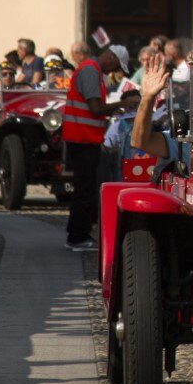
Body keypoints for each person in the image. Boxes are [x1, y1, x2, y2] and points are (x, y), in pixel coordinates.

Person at [61, 42, 119, 251]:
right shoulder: (90, 70)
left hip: (84, 137)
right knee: (84, 190)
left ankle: (78, 233)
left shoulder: (91, 70)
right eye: (116, 66)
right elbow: (95, 108)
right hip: (82, 138)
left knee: (84, 188)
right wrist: (122, 105)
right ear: (110, 58)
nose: (114, 72)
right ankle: (78, 236)